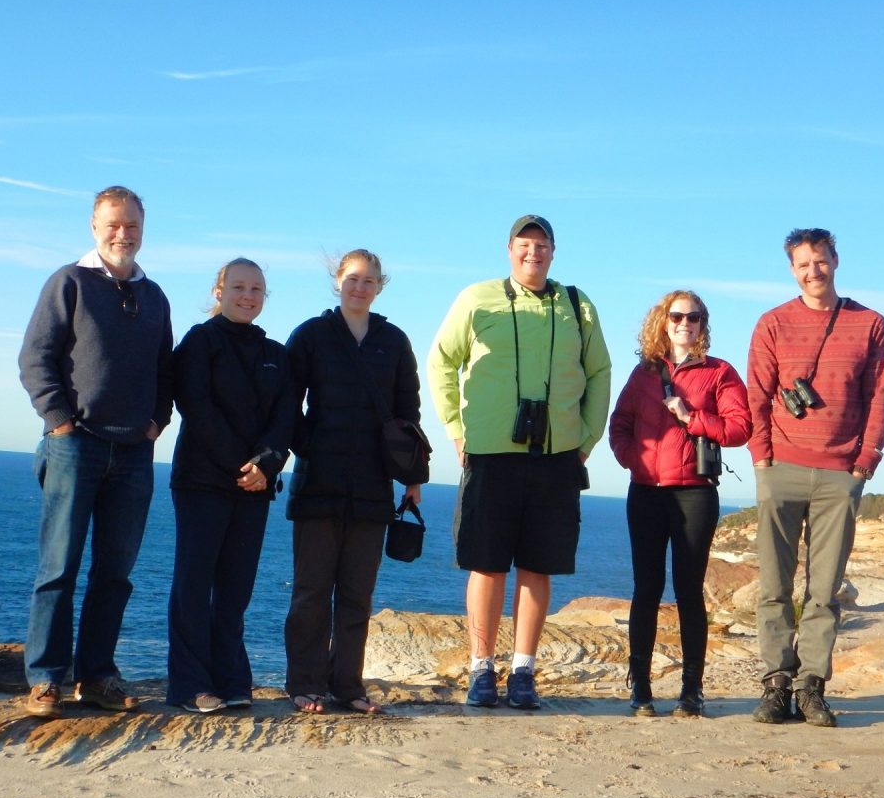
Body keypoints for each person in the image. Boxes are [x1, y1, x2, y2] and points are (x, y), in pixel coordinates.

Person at [428, 215, 611, 710]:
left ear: (554, 251)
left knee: (537, 565)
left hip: (556, 454)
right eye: (525, 244)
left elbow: (599, 371)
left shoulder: (576, 303)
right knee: (486, 566)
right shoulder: (477, 298)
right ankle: (481, 670)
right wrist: (456, 430)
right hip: (489, 452)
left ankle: (524, 670)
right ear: (509, 249)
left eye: (543, 244)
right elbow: (442, 360)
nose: (535, 252)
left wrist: (586, 438)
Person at [17, 186, 173, 718]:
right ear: (93, 226)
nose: (122, 233)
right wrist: (59, 421)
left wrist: (157, 422)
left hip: (133, 453)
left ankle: (97, 676)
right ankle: (45, 679)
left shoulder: (155, 296)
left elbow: (165, 370)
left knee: (115, 573)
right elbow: (35, 357)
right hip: (74, 446)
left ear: (143, 229)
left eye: (132, 224)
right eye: (113, 224)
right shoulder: (69, 282)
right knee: (58, 567)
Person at [747, 228, 884, 728]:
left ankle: (811, 686)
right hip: (780, 470)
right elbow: (756, 394)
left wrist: (865, 460)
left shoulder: (870, 324)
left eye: (820, 260)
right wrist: (762, 459)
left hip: (839, 473)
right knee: (773, 585)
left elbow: (879, 395)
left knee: (824, 589)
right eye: (803, 263)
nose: (814, 270)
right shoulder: (773, 323)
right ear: (792, 268)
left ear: (836, 259)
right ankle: (776, 684)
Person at [283, 250, 423, 715]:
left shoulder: (394, 341)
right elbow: (286, 407)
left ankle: (347, 686)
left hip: (372, 485)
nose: (360, 288)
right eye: (352, 279)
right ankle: (304, 685)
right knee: (310, 592)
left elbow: (408, 413)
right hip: (317, 482)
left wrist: (413, 479)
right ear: (337, 281)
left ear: (381, 285)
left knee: (357, 595)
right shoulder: (311, 335)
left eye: (369, 281)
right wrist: (314, 447)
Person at [608, 291, 751, 717]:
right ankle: (642, 688)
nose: (684, 323)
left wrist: (692, 418)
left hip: (695, 493)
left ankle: (692, 690)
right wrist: (635, 461)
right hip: (647, 492)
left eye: (694, 317)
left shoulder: (720, 372)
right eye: (677, 316)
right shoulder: (643, 374)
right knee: (645, 591)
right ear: (663, 322)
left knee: (689, 592)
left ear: (703, 324)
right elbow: (619, 426)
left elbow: (740, 427)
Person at [166, 259, 295, 715]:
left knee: (235, 590)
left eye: (256, 289)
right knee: (194, 586)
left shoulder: (277, 354)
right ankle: (190, 686)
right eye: (238, 287)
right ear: (219, 290)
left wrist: (266, 466)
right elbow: (196, 408)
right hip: (202, 483)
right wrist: (244, 465)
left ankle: (232, 680)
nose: (247, 296)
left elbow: (287, 419)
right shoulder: (199, 342)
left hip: (255, 488)